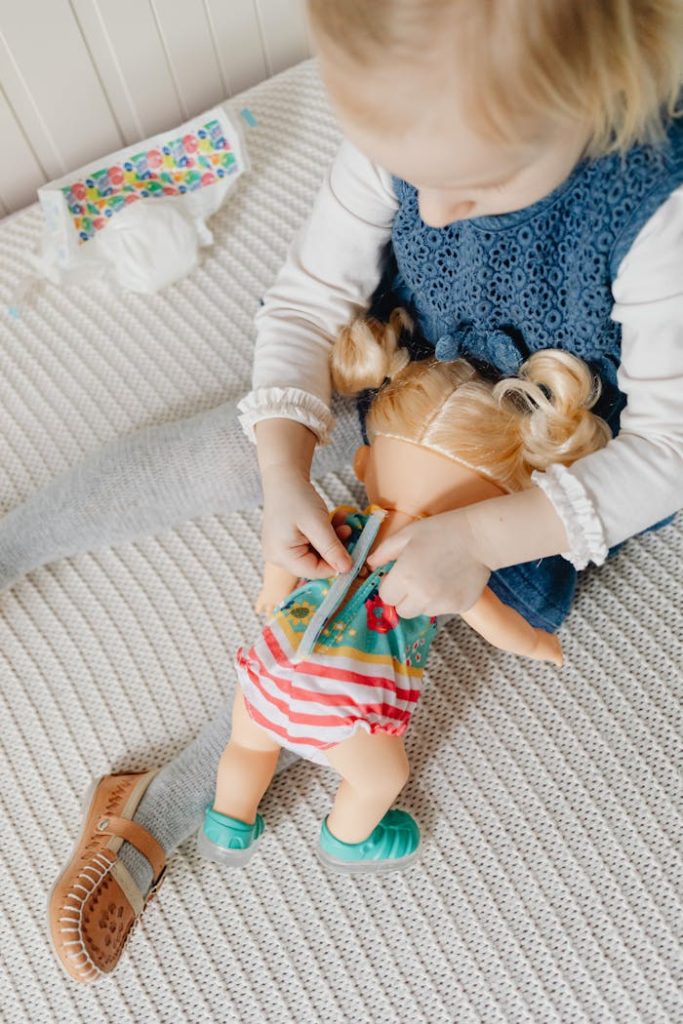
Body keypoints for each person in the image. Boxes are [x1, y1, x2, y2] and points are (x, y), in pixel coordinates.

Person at [43, 0, 683, 981]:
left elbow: (666, 452)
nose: (425, 213)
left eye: (468, 185)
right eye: (405, 173)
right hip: (396, 373)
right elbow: (304, 301)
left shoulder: (652, 204)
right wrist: (279, 467)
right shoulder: (411, 106)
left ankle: (163, 810)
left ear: (594, 99)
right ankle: (19, 540)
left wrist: (483, 542)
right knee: (232, 451)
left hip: (525, 460)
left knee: (346, 660)